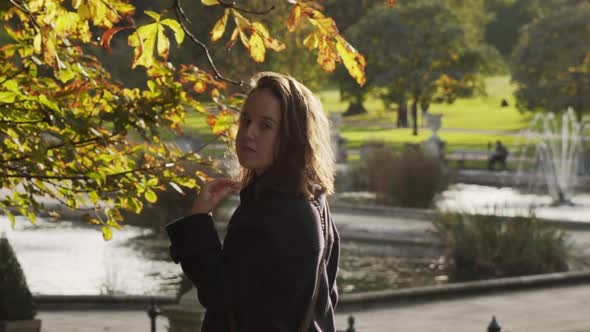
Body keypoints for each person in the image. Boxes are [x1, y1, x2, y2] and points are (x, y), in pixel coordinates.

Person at [166, 72, 340, 332]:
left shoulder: (277, 211)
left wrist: (199, 219)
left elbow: (220, 294)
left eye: (265, 125)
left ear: (292, 137)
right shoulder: (310, 198)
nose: (248, 133)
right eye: (246, 120)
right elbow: (326, 300)